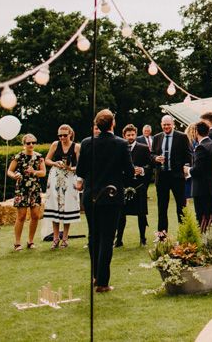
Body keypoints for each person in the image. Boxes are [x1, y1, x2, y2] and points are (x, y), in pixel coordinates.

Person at [76, 109, 135, 293]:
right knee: (107, 238)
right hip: (111, 195)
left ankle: (95, 276)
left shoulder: (86, 143)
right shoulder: (121, 144)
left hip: (91, 195)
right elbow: (130, 172)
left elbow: (80, 171)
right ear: (113, 124)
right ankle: (102, 282)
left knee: (94, 235)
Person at [43, 124, 81, 248]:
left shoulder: (76, 147)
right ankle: (55, 238)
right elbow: (46, 160)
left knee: (67, 207)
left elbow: (80, 166)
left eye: (65, 135)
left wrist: (70, 168)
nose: (62, 138)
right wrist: (55, 163)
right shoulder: (55, 145)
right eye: (60, 135)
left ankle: (65, 238)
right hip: (55, 177)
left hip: (70, 178)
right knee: (55, 206)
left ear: (70, 134)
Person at [152, 115, 192, 233]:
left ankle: (184, 234)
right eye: (164, 124)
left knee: (181, 207)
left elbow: (189, 155)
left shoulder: (182, 137)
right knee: (162, 208)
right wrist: (155, 158)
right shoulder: (157, 137)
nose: (166, 127)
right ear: (161, 124)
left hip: (177, 177)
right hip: (162, 177)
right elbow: (151, 154)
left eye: (168, 124)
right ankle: (162, 235)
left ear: (173, 124)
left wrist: (186, 167)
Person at [8, 133, 46, 251]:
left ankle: (30, 241)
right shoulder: (18, 157)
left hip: (34, 189)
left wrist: (34, 171)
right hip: (22, 189)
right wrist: (14, 176)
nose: (31, 145)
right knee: (21, 216)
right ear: (24, 144)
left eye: (33, 143)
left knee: (35, 215)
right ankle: (17, 243)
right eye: (28, 143)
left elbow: (43, 173)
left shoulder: (39, 157)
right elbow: (9, 171)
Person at [116, 124, 152, 247]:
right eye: (128, 135)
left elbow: (150, 166)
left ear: (136, 134)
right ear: (124, 136)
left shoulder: (143, 148)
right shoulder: (120, 148)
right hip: (124, 185)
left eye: (132, 134)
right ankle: (119, 240)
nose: (131, 137)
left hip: (139, 185)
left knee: (141, 214)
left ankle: (143, 239)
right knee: (121, 214)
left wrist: (141, 170)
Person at [188, 121, 212, 231]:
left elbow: (197, 170)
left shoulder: (201, 147)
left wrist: (188, 169)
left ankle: (205, 241)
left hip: (202, 188)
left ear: (196, 132)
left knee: (202, 217)